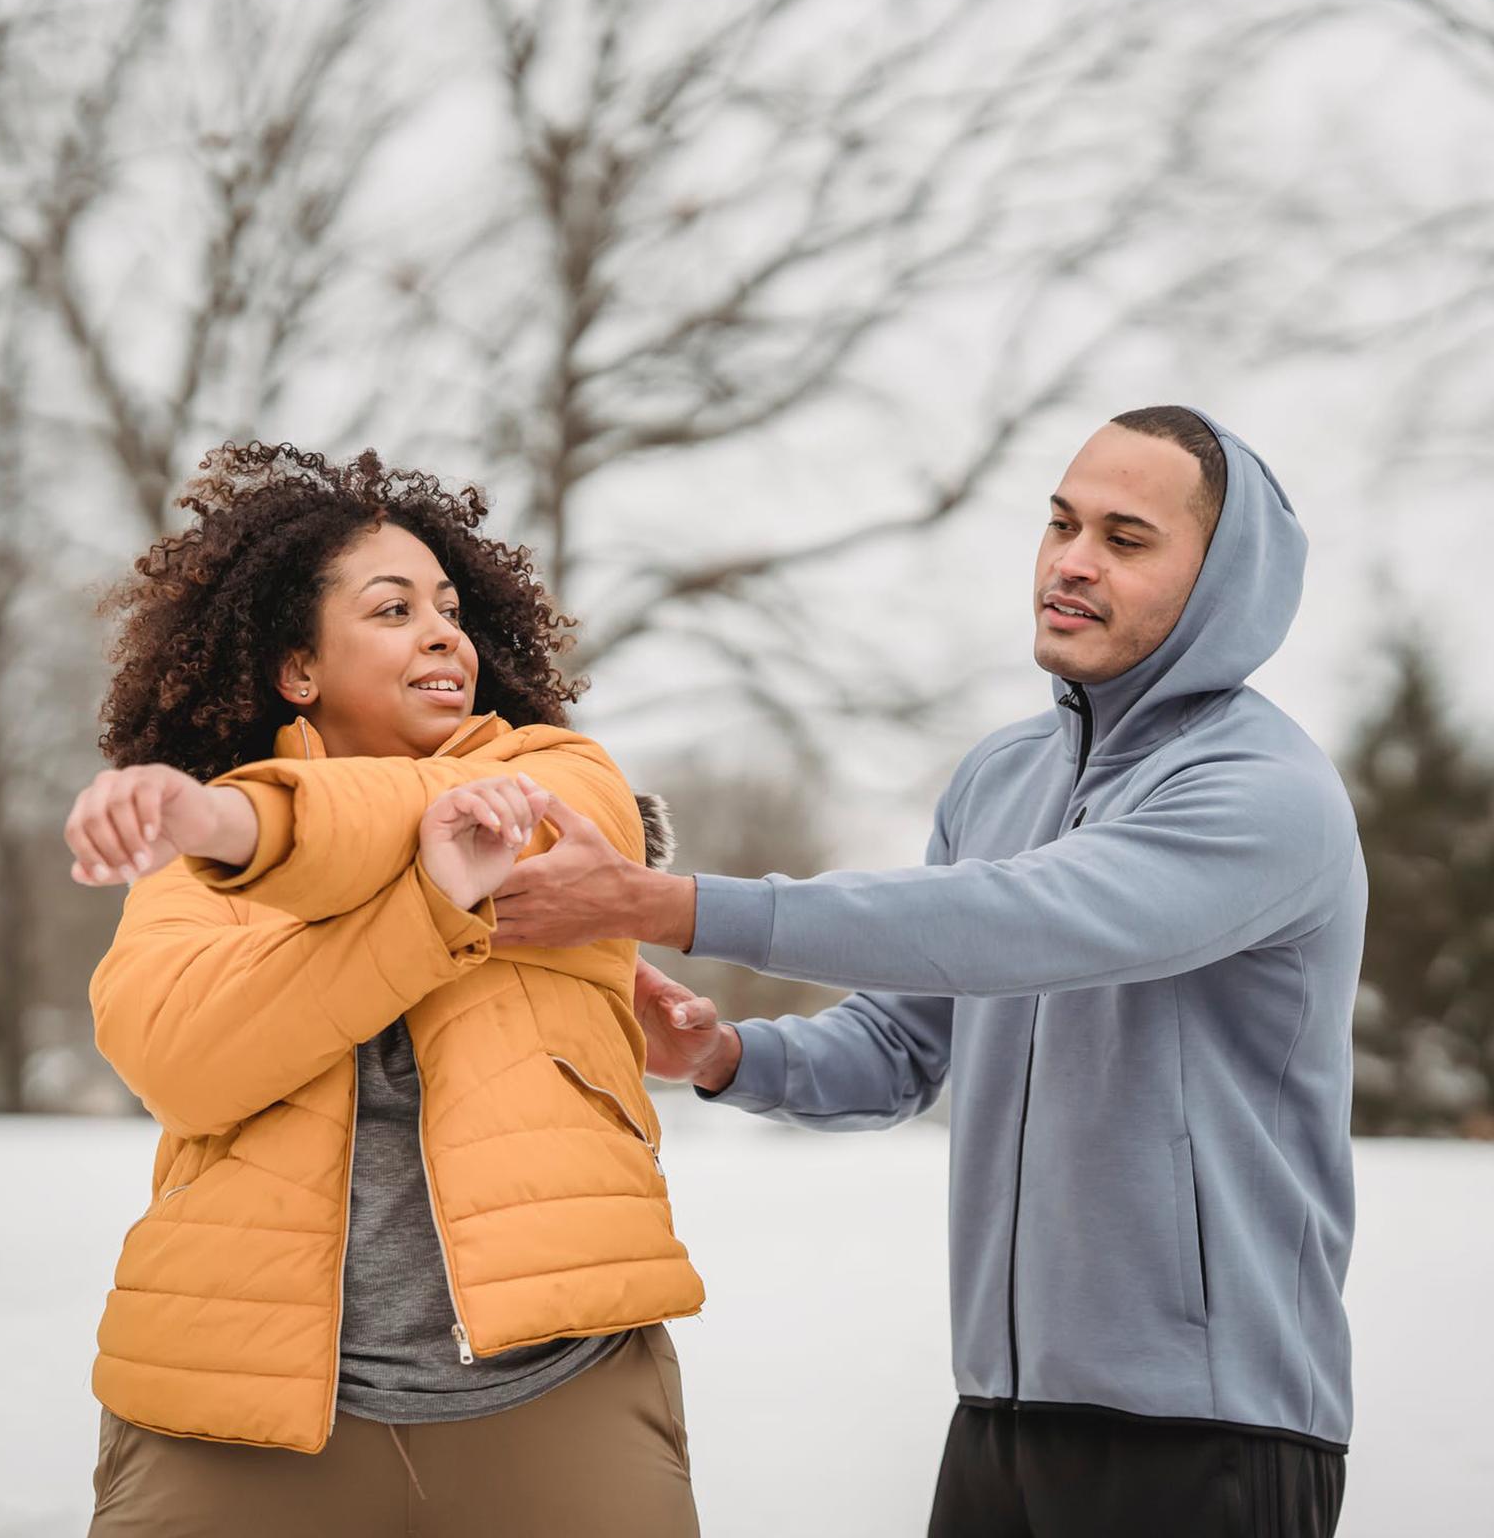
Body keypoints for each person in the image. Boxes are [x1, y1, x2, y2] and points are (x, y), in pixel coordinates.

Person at [492, 406, 1363, 1538]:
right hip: (1002, 1415)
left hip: (1212, 1433)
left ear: (1220, 579)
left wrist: (674, 902)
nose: (1071, 561)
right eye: (1059, 524)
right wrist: (725, 1053)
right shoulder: (1002, 775)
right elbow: (904, 1045)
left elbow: (1024, 921)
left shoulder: (1261, 792)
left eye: (1126, 537)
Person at [64, 441, 703, 1537]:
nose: (444, 631)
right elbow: (184, 1065)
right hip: (234, 1415)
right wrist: (427, 908)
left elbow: (417, 816)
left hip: (559, 1400)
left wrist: (236, 823)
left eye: (449, 608)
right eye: (393, 609)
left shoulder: (561, 784)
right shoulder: (202, 850)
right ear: (297, 669)